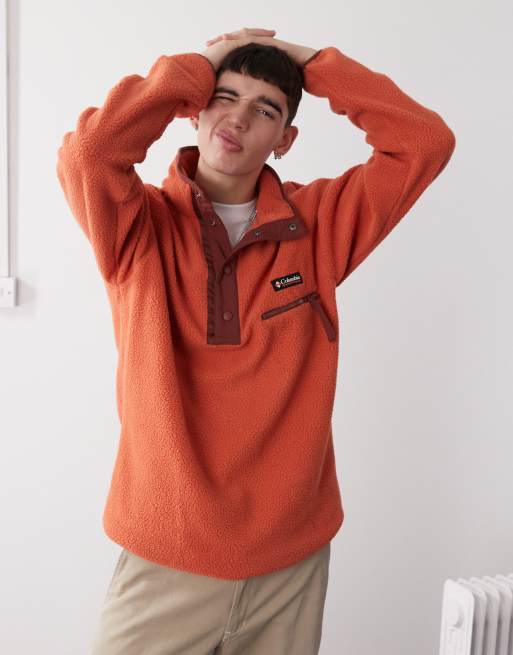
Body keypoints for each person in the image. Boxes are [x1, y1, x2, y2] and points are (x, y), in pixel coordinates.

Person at [56, 26, 456, 655]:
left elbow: (425, 142)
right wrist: (194, 68)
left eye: (264, 109)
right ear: (194, 110)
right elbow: (89, 153)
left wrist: (315, 64)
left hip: (289, 566)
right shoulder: (136, 226)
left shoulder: (318, 225)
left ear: (285, 140)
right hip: (167, 559)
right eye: (224, 97)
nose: (238, 119)